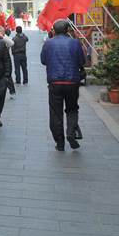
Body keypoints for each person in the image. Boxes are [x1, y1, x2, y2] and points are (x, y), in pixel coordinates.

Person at [40, 19, 85, 151]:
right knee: (72, 109)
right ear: (67, 30)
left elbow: (43, 60)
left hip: (55, 82)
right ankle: (71, 132)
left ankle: (60, 142)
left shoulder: (48, 43)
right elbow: (82, 61)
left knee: (55, 113)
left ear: (54, 30)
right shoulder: (75, 43)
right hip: (72, 82)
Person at [0, 26, 16, 100]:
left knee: (7, 76)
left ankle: (12, 91)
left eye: (1, 31)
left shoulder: (5, 37)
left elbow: (11, 43)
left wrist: (2, 37)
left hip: (6, 59)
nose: (0, 32)